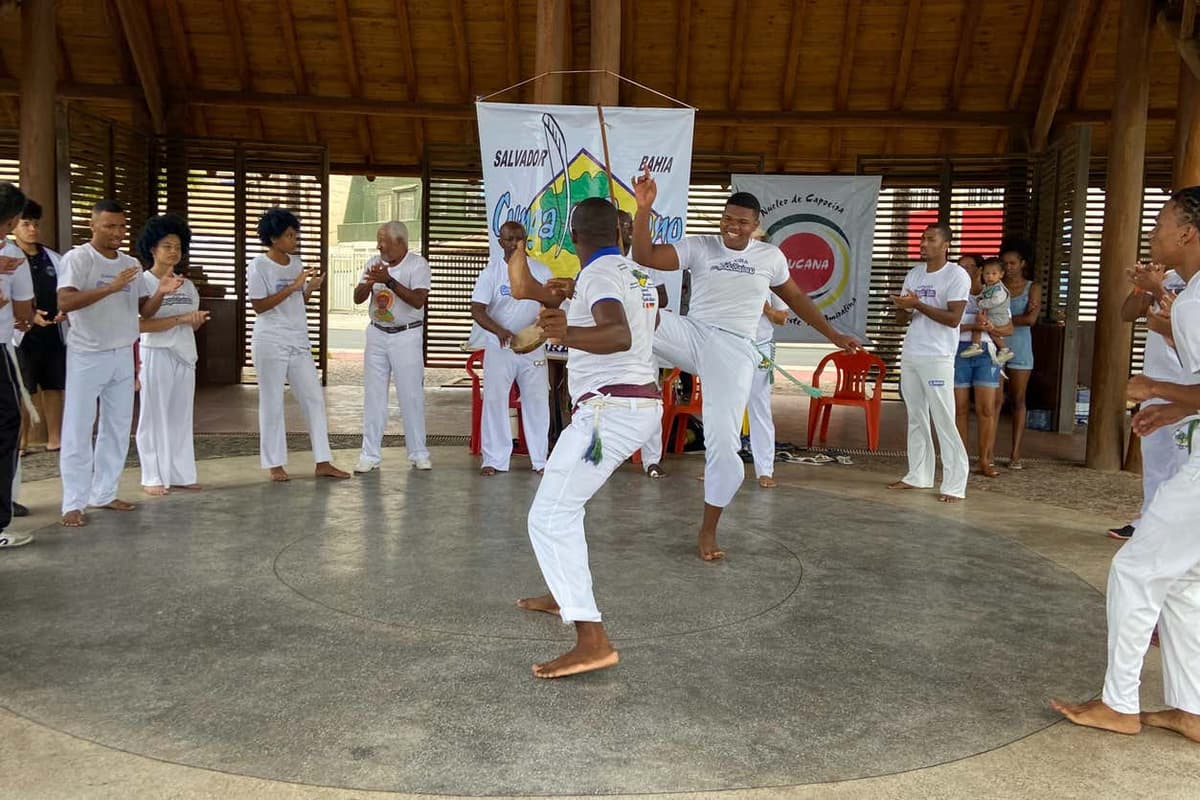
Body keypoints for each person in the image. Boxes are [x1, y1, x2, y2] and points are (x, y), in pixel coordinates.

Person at [631, 170, 860, 560]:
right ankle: (587, 349)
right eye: (727, 219)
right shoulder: (700, 246)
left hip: (734, 350)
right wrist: (643, 210)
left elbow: (799, 299)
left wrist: (833, 335)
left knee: (724, 443)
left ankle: (708, 531)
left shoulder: (769, 257)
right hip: (692, 333)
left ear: (755, 227)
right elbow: (644, 256)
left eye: (742, 223)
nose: (732, 228)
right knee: (638, 303)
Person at [1051, 187, 1200, 745]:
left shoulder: (1195, 300)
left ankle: (1119, 705)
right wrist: (1170, 405)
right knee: (1184, 581)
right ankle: (1190, 709)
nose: (1155, 231)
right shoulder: (1189, 298)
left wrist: (1157, 386)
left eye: (1162, 220)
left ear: (1187, 232)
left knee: (1135, 570)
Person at [508, 197, 661, 678]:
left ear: (573, 239)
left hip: (608, 412)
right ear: (617, 234)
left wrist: (566, 333)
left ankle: (592, 639)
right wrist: (516, 252)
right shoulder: (633, 274)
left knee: (549, 516)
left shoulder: (598, 276)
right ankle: (561, 591)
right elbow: (525, 289)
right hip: (629, 404)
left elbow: (618, 335)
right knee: (564, 505)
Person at [57, 199, 181, 528]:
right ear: (92, 225)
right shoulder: (78, 258)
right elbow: (65, 301)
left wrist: (161, 293)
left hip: (122, 355)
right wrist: (110, 288)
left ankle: (105, 492)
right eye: (110, 226)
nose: (117, 233)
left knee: (116, 427)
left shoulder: (130, 264)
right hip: (87, 354)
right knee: (78, 428)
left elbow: (144, 310)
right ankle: (73, 501)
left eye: (121, 227)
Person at [248, 208, 349, 482]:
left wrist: (309, 289)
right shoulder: (259, 265)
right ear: (273, 238)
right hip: (270, 341)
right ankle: (275, 464)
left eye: (295, 234)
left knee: (314, 399)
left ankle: (323, 461)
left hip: (298, 340)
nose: (295, 240)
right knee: (272, 401)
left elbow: (297, 302)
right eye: (289, 235)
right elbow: (259, 305)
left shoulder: (295, 263)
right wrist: (293, 287)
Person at [888, 224, 971, 503]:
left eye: (931, 239)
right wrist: (902, 308)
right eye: (922, 239)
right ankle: (918, 475)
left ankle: (954, 484)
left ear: (946, 244)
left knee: (943, 418)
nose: (923, 243)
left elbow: (953, 319)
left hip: (938, 356)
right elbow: (904, 319)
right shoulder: (914, 273)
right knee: (916, 415)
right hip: (912, 352)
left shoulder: (956, 274)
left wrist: (918, 304)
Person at [1107, 262, 1188, 540]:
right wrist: (1143, 285)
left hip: (1184, 382)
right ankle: (1148, 518)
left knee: (1184, 455)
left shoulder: (1193, 281)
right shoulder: (1163, 277)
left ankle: (1176, 526)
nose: (1154, 237)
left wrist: (1156, 286)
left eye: (1160, 229)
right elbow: (1128, 313)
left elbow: (1180, 319)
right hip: (1154, 379)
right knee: (1155, 454)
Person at [469, 221, 552, 476]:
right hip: (499, 346)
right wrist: (499, 331)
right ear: (500, 242)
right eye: (509, 238)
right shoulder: (491, 272)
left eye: (519, 238)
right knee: (495, 400)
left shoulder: (541, 271)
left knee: (537, 400)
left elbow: (554, 304)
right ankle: (494, 460)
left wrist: (542, 325)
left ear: (525, 239)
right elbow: (477, 309)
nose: (514, 242)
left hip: (533, 348)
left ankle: (540, 461)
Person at [134, 214, 209, 496]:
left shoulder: (187, 284)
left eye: (177, 246)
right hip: (156, 352)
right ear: (152, 248)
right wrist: (176, 316)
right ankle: (152, 475)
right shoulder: (143, 282)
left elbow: (189, 319)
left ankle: (180, 472)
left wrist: (195, 320)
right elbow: (143, 319)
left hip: (184, 354)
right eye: (167, 246)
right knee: (154, 415)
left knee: (180, 414)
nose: (173, 252)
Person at [353, 221, 432, 473]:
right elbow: (357, 298)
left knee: (410, 395)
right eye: (379, 240)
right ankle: (369, 454)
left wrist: (388, 281)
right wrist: (367, 283)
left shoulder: (417, 265)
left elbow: (418, 301)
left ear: (400, 242)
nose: (379, 246)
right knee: (374, 396)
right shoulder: (373, 263)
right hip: (377, 334)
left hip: (406, 336)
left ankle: (418, 452)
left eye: (383, 240)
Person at [11, 199, 65, 454]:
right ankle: (21, 441)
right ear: (14, 226)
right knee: (24, 388)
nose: (32, 229)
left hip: (52, 330)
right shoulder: (6, 257)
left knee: (54, 385)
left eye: (35, 224)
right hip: (21, 333)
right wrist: (30, 316)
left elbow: (66, 291)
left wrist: (64, 311)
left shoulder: (53, 258)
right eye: (26, 224)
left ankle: (55, 438)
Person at [619, 208, 668, 479]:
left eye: (629, 226)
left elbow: (663, 298)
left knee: (650, 402)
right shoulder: (600, 263)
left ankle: (652, 459)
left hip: (644, 346)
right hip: (612, 346)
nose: (625, 231)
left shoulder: (643, 262)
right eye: (621, 226)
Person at [954, 255, 1012, 478]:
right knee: (958, 409)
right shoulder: (956, 295)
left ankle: (985, 461)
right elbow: (947, 326)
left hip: (987, 354)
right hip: (959, 352)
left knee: (986, 409)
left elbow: (1008, 329)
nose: (965, 271)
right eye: (961, 267)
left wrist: (990, 328)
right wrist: (972, 324)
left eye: (970, 267)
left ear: (980, 270)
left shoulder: (994, 294)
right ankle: (959, 461)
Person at [0, 183, 35, 549]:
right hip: (0, 349)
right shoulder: (12, 257)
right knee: (6, 423)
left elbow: (24, 313)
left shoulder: (13, 257)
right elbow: (23, 312)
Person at [999, 238, 1041, 469]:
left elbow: (1031, 320)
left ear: (1023, 263)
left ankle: (1015, 453)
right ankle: (987, 452)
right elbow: (1023, 318)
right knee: (994, 400)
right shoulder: (996, 285)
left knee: (1017, 399)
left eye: (1012, 263)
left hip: (1021, 348)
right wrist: (1015, 320)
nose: (1008, 268)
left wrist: (1001, 321)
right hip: (995, 346)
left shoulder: (1032, 287)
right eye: (1004, 263)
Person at [748, 294, 789, 489]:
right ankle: (716, 466)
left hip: (760, 348)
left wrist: (766, 309)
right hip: (728, 345)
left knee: (760, 409)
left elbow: (782, 319)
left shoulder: (770, 273)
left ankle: (765, 470)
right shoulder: (725, 269)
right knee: (723, 409)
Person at [959, 259, 1015, 365]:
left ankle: (976, 345)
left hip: (996, 320)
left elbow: (1009, 330)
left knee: (980, 322)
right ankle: (1002, 349)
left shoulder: (998, 289)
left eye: (970, 266)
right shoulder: (988, 288)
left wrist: (981, 304)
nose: (990, 276)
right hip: (958, 346)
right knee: (980, 324)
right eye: (987, 274)